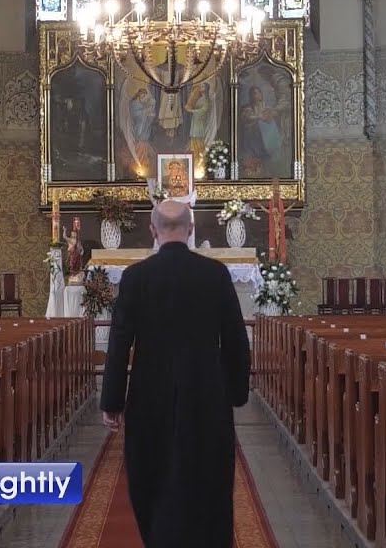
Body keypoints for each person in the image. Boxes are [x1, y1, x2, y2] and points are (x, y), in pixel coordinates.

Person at [100, 200, 251, 548]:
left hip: (149, 396)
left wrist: (112, 401)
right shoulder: (214, 274)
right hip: (206, 396)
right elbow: (235, 340)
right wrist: (236, 394)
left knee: (152, 477)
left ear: (153, 231)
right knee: (208, 480)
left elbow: (119, 342)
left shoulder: (136, 277)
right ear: (191, 229)